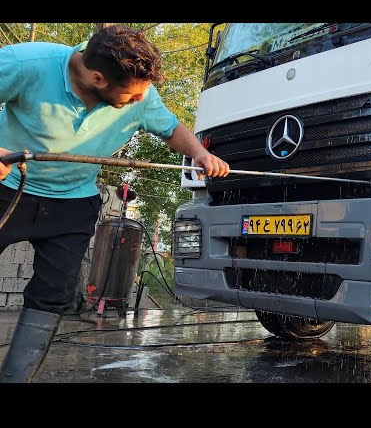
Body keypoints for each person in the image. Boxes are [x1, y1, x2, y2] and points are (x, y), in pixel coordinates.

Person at [0, 24, 229, 383]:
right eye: (133, 95)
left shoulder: (142, 94)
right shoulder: (25, 63)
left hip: (73, 202)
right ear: (97, 78)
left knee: (53, 295)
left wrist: (199, 152)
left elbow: (170, 129)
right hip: (9, 188)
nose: (141, 100)